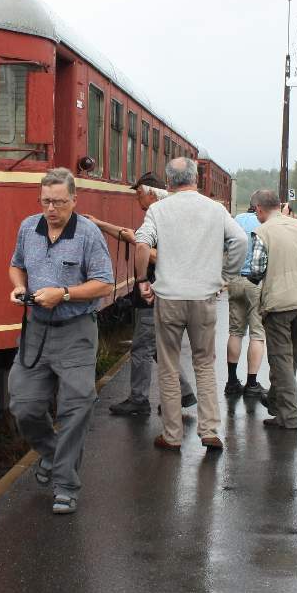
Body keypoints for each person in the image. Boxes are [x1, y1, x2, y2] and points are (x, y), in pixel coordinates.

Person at [7, 168, 114, 514]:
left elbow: (104, 283)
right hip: (36, 330)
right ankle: (53, 455)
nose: (51, 209)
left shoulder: (88, 233)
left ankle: (65, 486)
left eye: (59, 202)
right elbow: (16, 265)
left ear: (74, 200)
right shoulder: (28, 227)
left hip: (76, 330)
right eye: (46, 202)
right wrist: (19, 286)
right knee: (23, 405)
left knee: (76, 406)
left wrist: (64, 294)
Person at [135, 158, 247, 452]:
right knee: (204, 363)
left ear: (169, 182)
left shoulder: (158, 209)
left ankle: (172, 435)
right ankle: (209, 430)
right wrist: (225, 277)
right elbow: (240, 240)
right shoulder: (215, 209)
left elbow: (142, 244)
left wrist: (142, 280)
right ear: (196, 179)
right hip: (203, 298)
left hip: (168, 299)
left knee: (169, 366)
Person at [83, 173, 196, 417]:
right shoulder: (160, 216)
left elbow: (165, 257)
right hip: (156, 295)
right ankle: (184, 393)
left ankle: (139, 400)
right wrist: (99, 224)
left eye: (139, 193)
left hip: (153, 295)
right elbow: (128, 234)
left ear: (151, 193)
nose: (137, 199)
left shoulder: (163, 218)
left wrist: (138, 243)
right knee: (156, 349)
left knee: (142, 349)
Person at [245, 188, 297, 431]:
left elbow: (256, 270)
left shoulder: (262, 232)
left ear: (259, 209)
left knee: (281, 359)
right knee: (292, 355)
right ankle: (276, 400)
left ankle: (290, 415)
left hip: (278, 302)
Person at [224, 204, 266, 399]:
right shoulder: (265, 222)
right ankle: (251, 384)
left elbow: (226, 246)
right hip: (256, 283)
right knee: (257, 334)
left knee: (235, 332)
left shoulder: (237, 220)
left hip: (235, 280)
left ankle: (232, 381)